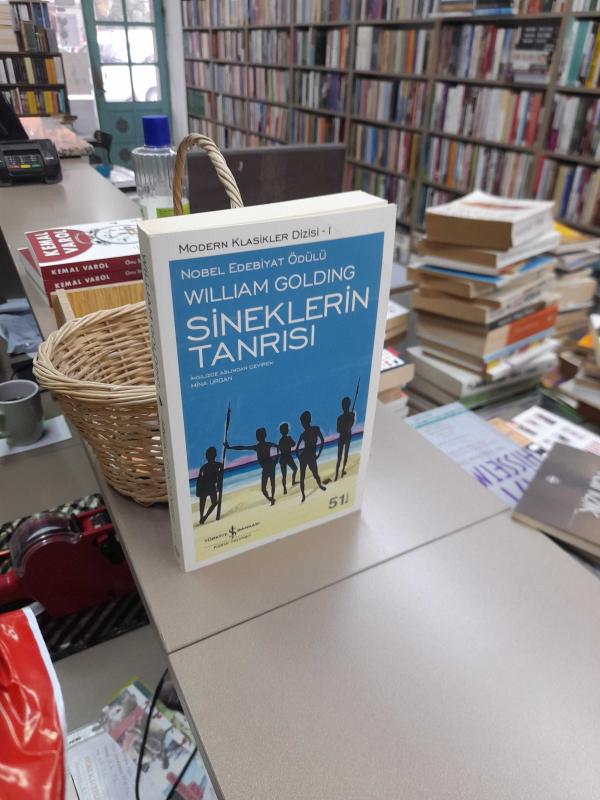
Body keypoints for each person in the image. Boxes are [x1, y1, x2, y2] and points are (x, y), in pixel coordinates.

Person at [225, 427, 279, 506]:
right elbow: (243, 447)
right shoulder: (258, 446)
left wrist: (276, 460)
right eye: (257, 435)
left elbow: (278, 447)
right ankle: (271, 499)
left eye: (258, 435)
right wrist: (230, 447)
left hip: (270, 466)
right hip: (267, 468)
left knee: (271, 484)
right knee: (264, 489)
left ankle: (272, 499)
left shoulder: (267, 444)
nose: (258, 437)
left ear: (263, 435)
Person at [295, 410, 327, 502]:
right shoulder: (306, 433)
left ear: (308, 420)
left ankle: (319, 486)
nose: (302, 424)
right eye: (302, 423)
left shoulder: (315, 429)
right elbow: (296, 450)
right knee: (303, 477)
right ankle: (303, 495)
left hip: (309, 456)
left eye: (303, 422)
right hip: (307, 456)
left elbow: (322, 441)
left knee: (314, 474)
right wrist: (300, 457)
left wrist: (318, 454)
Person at [195, 446, 223, 525]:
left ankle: (203, 517)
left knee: (208, 503)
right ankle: (203, 517)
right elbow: (200, 479)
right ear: (215, 455)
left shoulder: (215, 466)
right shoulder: (218, 465)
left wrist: (218, 486)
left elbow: (219, 477)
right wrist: (219, 486)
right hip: (207, 486)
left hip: (206, 486)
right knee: (210, 503)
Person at [335, 396, 355, 481]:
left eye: (344, 405)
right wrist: (345, 427)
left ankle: (342, 471)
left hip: (346, 437)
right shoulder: (343, 417)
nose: (343, 407)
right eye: (343, 405)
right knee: (340, 456)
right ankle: (337, 474)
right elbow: (338, 430)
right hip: (344, 437)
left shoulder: (351, 415)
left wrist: (349, 422)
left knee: (344, 455)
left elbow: (351, 425)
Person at [278, 422, 298, 494]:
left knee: (286, 474)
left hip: (284, 458)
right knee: (294, 470)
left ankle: (286, 487)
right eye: (285, 429)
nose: (286, 430)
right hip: (287, 457)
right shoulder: (288, 438)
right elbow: (293, 444)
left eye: (286, 429)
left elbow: (279, 449)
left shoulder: (281, 440)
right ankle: (288, 485)